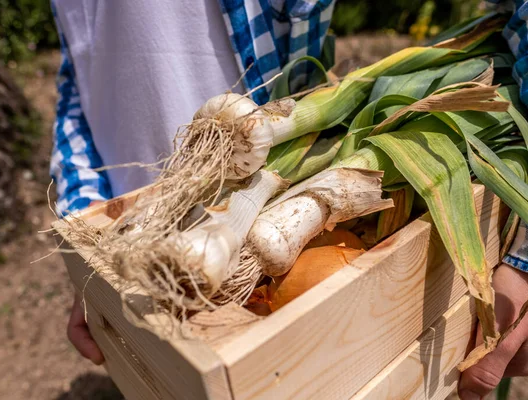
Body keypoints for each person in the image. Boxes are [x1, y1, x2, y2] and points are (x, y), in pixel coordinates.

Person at [49, 1, 528, 398]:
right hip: (157, 212)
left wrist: (524, 257)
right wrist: (89, 234)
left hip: (252, 187)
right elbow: (78, 70)